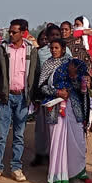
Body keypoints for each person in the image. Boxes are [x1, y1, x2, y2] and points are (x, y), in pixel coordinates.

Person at [0, 19, 40, 182]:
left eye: (14, 32)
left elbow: (35, 73)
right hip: (5, 96)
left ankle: (16, 167)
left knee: (19, 134)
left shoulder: (31, 50)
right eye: (10, 32)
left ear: (23, 32)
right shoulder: (2, 49)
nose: (11, 34)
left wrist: (34, 97)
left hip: (23, 97)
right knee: (2, 134)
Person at [39, 39, 92, 183]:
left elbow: (81, 85)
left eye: (56, 48)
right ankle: (57, 177)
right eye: (51, 48)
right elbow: (42, 87)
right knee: (57, 143)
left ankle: (80, 173)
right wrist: (57, 92)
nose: (53, 50)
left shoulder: (73, 64)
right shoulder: (47, 65)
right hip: (55, 108)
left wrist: (79, 80)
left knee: (78, 141)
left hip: (73, 107)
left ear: (63, 49)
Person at [31, 25, 71, 167]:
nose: (54, 38)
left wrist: (67, 91)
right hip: (46, 98)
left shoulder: (68, 55)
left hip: (64, 100)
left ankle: (58, 159)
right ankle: (41, 154)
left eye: (57, 35)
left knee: (61, 131)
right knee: (42, 129)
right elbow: (37, 77)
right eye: (51, 35)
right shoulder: (41, 53)